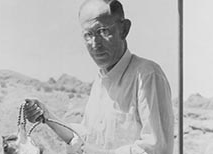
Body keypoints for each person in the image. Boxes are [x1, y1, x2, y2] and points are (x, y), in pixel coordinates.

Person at [24, 0, 175, 154]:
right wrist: (47, 116)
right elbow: (85, 138)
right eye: (88, 35)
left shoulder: (147, 75)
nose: (95, 43)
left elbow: (156, 149)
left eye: (103, 31)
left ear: (124, 29)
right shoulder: (100, 80)